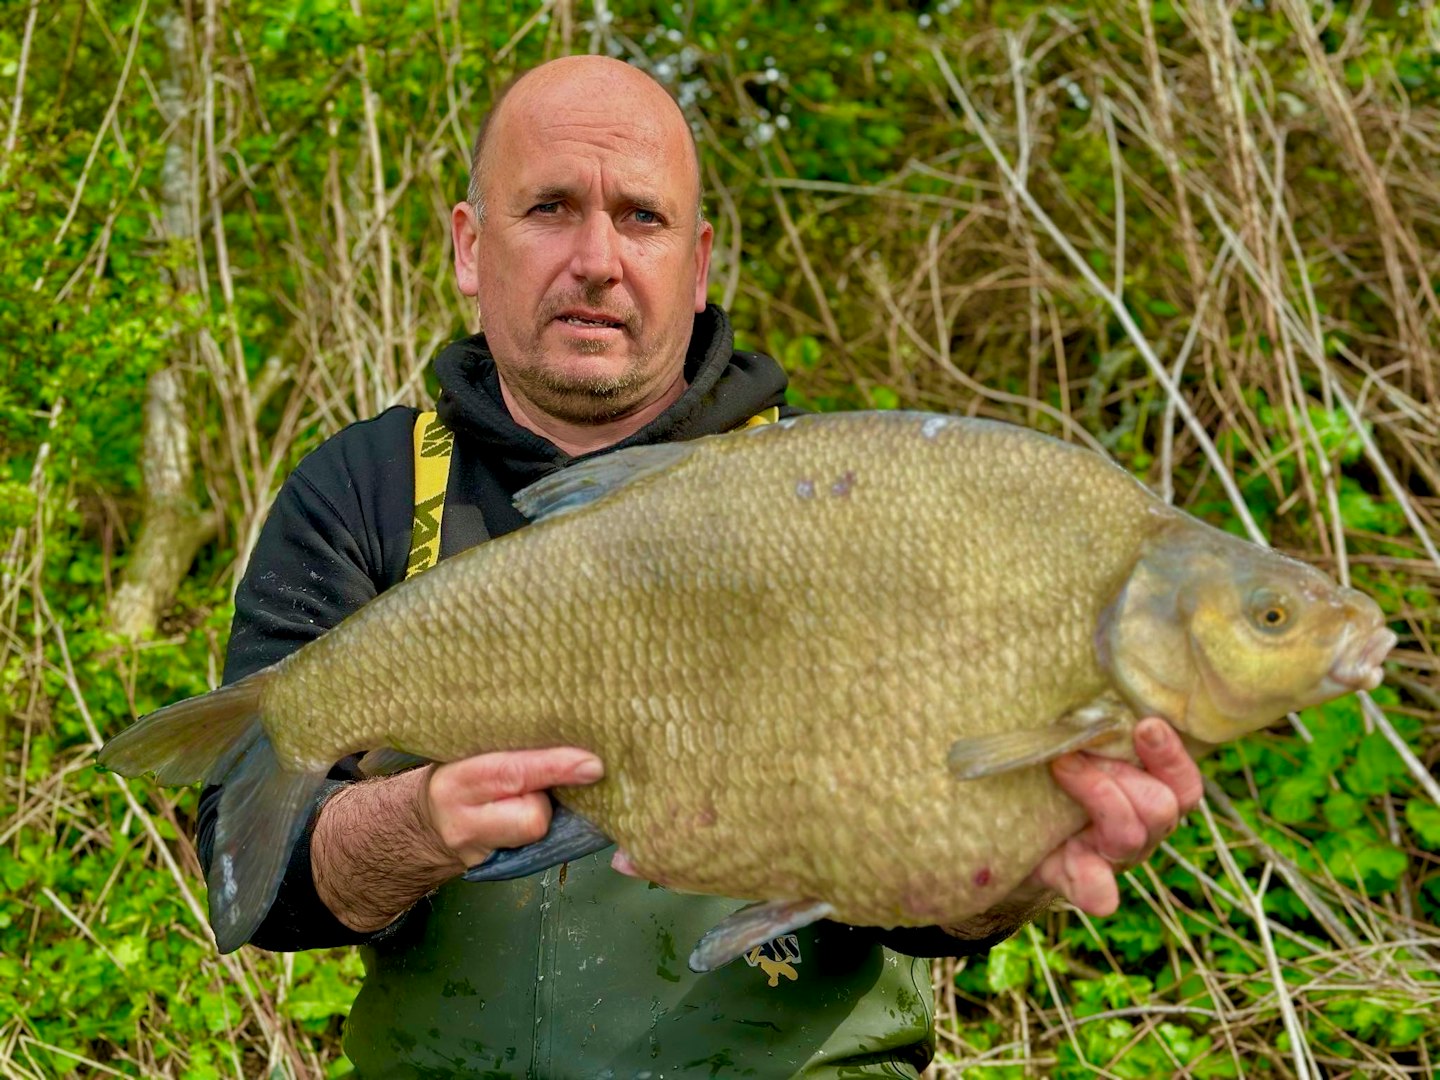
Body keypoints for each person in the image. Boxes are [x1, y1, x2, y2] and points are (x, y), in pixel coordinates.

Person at [198, 55, 1203, 1078]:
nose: (597, 259)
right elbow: (263, 889)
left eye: (642, 218)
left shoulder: (850, 497)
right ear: (468, 243)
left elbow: (936, 924)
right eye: (550, 207)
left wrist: (1025, 852)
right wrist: (418, 822)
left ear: (700, 261)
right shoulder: (361, 487)